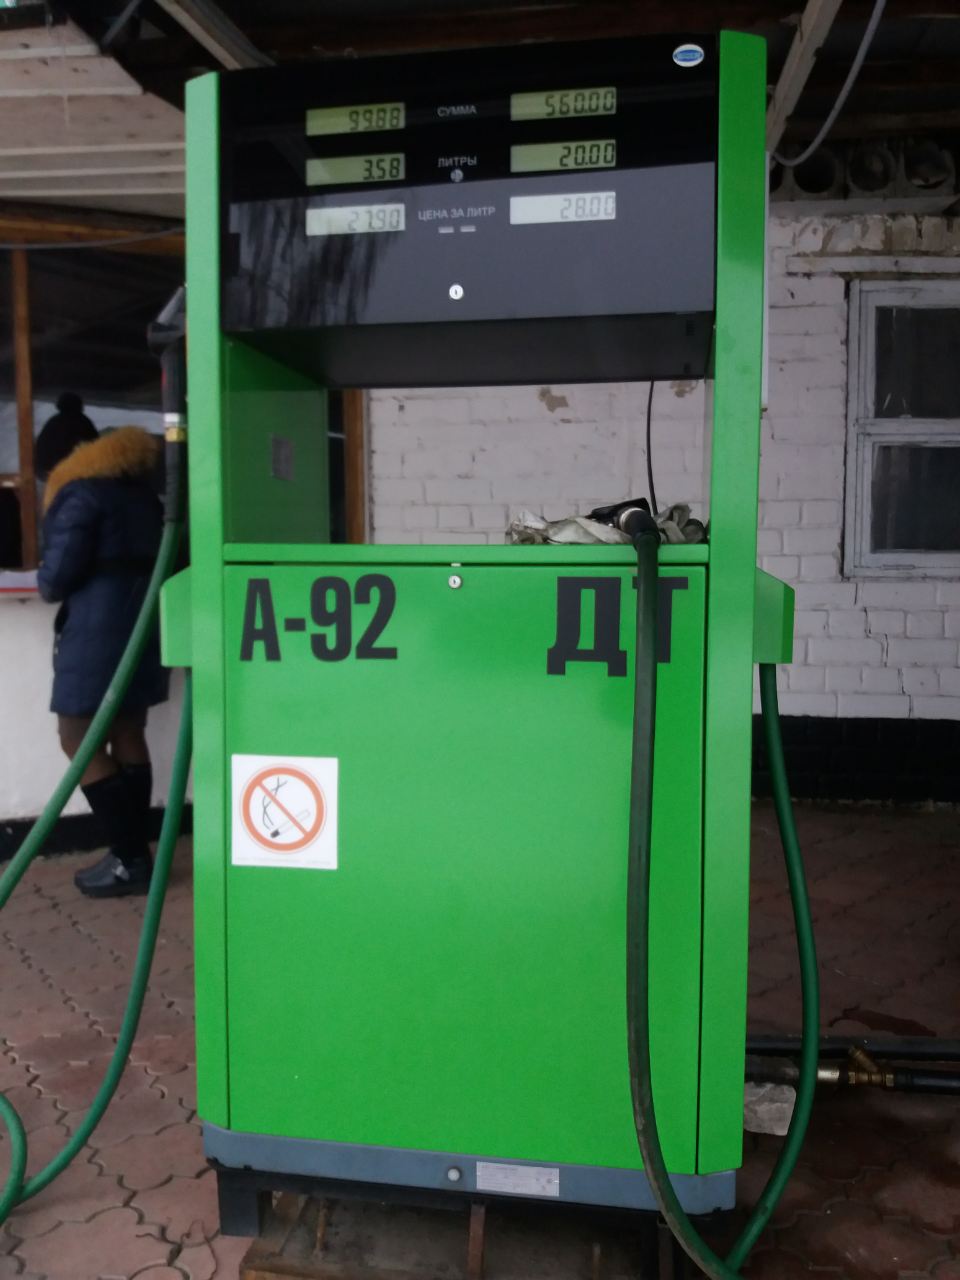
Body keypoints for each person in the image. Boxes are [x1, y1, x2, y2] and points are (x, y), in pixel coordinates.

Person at [37, 427, 170, 897]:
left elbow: (55, 579)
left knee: (76, 735)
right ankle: (136, 855)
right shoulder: (145, 498)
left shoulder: (81, 494)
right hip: (144, 626)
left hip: (97, 633)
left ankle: (130, 858)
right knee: (128, 730)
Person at [34, 392, 99, 482]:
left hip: (53, 474)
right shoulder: (82, 422)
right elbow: (95, 446)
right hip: (69, 474)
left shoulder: (53, 423)